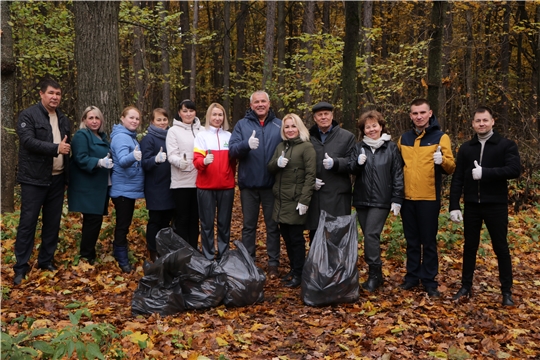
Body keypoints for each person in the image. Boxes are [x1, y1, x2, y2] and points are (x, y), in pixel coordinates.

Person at [449, 106, 521, 306]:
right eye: (478, 121)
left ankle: (506, 291)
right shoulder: (466, 148)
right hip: (472, 205)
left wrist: (486, 173)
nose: (481, 124)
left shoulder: (505, 145)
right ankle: (465, 287)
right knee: (470, 247)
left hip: (496, 205)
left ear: (492, 121)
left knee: (501, 247)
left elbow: (514, 169)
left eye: (485, 120)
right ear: (472, 124)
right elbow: (458, 178)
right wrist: (454, 205)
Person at [13, 79, 71, 285]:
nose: (55, 97)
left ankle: (46, 260)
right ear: (41, 94)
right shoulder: (28, 115)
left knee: (52, 223)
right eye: (51, 93)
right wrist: (55, 148)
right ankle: (21, 267)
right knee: (28, 224)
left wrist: (67, 178)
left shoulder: (63, 119)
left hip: (57, 179)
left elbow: (68, 148)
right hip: (33, 179)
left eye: (58, 93)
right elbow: (28, 141)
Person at [397, 98, 455, 298]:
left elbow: (451, 167)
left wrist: (442, 161)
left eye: (422, 113)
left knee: (428, 241)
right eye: (415, 113)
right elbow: (397, 167)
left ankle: (429, 279)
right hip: (407, 198)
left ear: (430, 113)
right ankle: (412, 276)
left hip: (429, 197)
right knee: (412, 240)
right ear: (410, 116)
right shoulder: (403, 138)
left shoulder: (441, 137)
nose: (419, 117)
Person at [348, 110, 404, 292]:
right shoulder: (358, 147)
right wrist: (357, 163)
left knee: (371, 234)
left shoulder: (391, 148)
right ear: (363, 130)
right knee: (368, 236)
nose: (371, 129)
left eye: (374, 126)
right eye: (367, 127)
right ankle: (377, 275)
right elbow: (352, 170)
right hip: (362, 199)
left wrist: (397, 198)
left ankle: (374, 275)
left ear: (381, 126)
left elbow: (397, 173)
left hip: (382, 200)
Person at [229, 91, 282, 278]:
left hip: (271, 185)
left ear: (269, 103)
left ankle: (273, 263)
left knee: (273, 225)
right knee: (249, 226)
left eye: (263, 101)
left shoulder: (279, 125)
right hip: (249, 184)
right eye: (256, 102)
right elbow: (232, 151)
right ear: (251, 105)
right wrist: (246, 145)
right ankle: (248, 261)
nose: (260, 104)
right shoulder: (242, 125)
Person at [268, 113, 316, 288]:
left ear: (299, 128)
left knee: (296, 239)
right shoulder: (281, 146)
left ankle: (300, 273)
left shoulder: (306, 147)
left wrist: (304, 200)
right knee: (286, 237)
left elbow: (311, 175)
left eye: (293, 126)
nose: (290, 130)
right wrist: (276, 163)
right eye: (287, 127)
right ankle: (294, 270)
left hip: (296, 200)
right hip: (281, 200)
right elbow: (270, 166)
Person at [305, 101, 356, 242]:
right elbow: (301, 163)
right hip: (315, 196)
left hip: (337, 195)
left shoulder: (347, 137)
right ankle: (317, 263)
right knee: (316, 235)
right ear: (315, 118)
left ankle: (336, 264)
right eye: (319, 115)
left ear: (332, 115)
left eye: (326, 114)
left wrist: (336, 163)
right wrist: (309, 181)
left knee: (337, 234)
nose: (323, 117)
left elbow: (353, 162)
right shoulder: (308, 137)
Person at [68, 106, 112, 265]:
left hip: (100, 185)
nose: (94, 121)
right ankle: (86, 256)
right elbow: (80, 158)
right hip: (88, 185)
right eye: (90, 118)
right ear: (84, 120)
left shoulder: (101, 137)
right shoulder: (82, 135)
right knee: (92, 220)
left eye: (97, 118)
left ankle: (89, 253)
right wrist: (98, 162)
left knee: (95, 220)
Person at [193, 103, 236, 261]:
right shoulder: (201, 135)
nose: (217, 118)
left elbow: (233, 163)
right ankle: (209, 255)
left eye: (220, 115)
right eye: (214, 115)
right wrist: (204, 161)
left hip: (226, 186)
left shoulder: (229, 136)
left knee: (224, 223)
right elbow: (196, 161)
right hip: (206, 187)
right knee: (207, 224)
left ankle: (224, 255)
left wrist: (229, 176)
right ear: (209, 116)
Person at [109, 106, 145, 273]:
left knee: (125, 223)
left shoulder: (130, 137)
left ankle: (119, 250)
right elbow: (123, 161)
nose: (134, 121)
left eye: (137, 119)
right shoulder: (122, 137)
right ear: (122, 118)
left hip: (128, 188)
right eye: (131, 117)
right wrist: (133, 156)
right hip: (122, 189)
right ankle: (121, 256)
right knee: (123, 225)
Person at [166, 99, 202, 250]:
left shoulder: (203, 130)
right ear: (179, 113)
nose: (188, 114)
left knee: (195, 219)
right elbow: (171, 154)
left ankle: (194, 251)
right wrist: (179, 162)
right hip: (181, 182)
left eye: (191, 110)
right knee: (182, 219)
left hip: (200, 181)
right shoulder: (173, 131)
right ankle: (181, 253)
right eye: (185, 111)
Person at [140, 108, 175, 262]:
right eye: (159, 120)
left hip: (170, 185)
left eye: (164, 120)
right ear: (152, 121)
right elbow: (144, 163)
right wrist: (155, 159)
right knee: (155, 220)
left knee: (166, 220)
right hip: (155, 187)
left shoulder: (171, 136)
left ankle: (164, 248)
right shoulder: (149, 139)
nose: (162, 123)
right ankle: (153, 251)